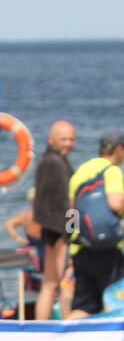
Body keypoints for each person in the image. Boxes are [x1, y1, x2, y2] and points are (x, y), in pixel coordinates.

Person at [66, 132, 124, 319]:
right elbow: (115, 203)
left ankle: (65, 336)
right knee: (114, 300)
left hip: (81, 249)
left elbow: (70, 213)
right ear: (118, 150)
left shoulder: (80, 173)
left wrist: (72, 246)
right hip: (108, 248)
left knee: (84, 305)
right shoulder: (112, 171)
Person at [33, 121, 77, 320]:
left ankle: (40, 328)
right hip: (61, 229)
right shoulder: (56, 163)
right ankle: (68, 329)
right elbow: (68, 202)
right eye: (64, 139)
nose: (68, 143)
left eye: (71, 139)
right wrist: (73, 232)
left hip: (48, 226)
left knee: (49, 282)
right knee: (66, 281)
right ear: (52, 140)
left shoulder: (45, 160)